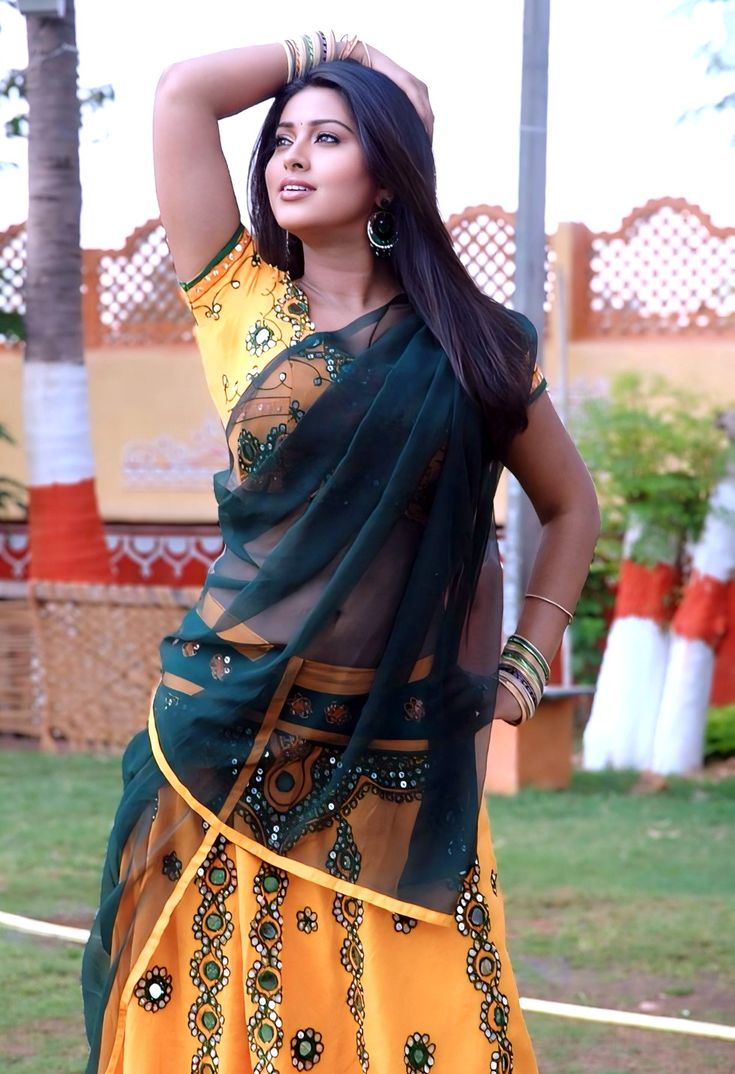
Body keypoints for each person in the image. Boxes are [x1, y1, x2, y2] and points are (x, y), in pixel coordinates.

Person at [82, 32, 600, 1074]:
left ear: (388, 174)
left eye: (329, 137)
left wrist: (526, 662)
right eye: (280, 140)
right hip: (229, 730)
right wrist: (334, 52)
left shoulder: (475, 344)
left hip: (403, 748)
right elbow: (184, 94)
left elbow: (570, 504)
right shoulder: (244, 308)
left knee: (424, 1020)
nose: (290, 158)